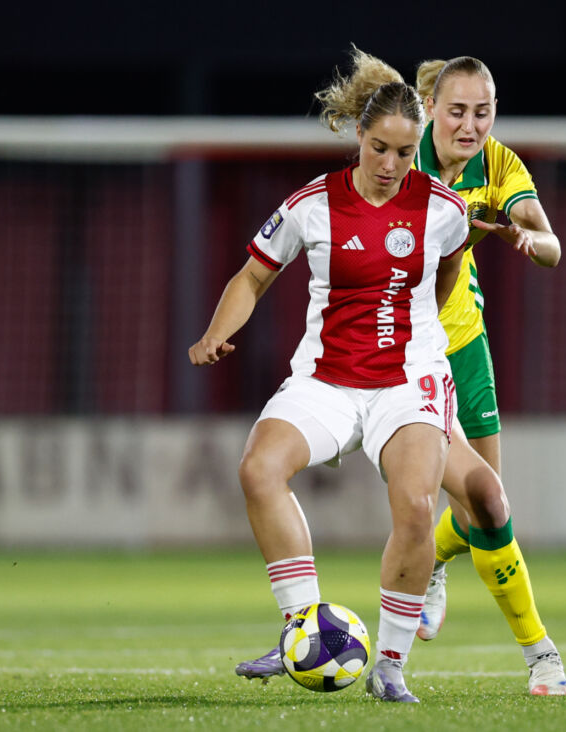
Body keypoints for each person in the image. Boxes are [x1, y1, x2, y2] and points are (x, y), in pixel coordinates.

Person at [188, 46, 469, 703]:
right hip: (328, 380)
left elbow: (448, 273)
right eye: (379, 149)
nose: (392, 165)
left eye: (405, 152)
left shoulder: (443, 210)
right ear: (358, 138)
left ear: (417, 144)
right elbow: (254, 274)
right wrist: (214, 335)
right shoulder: (312, 204)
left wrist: (421, 334)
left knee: (418, 506)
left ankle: (391, 666)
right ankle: (300, 630)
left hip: (407, 382)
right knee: (258, 468)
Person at [409, 56, 566, 696]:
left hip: (464, 345)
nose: (472, 125)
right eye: (458, 110)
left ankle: (437, 567)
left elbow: (552, 244)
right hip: (401, 353)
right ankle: (541, 654)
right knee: (442, 507)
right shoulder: (399, 154)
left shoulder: (501, 166)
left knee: (486, 506)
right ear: (430, 110)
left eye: (483, 111)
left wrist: (531, 242)